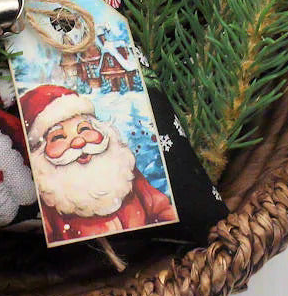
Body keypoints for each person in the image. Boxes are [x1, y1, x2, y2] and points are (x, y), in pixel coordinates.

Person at [20, 85, 176, 242]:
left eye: (84, 129)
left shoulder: (122, 170)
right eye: (59, 137)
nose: (79, 142)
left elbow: (161, 208)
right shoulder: (48, 203)